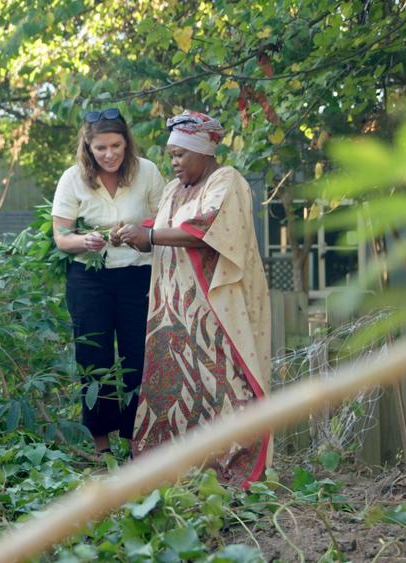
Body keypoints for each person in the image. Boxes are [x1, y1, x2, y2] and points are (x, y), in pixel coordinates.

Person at [113, 110, 271, 487]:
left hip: (216, 307)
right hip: (172, 308)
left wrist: (148, 236)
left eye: (180, 155)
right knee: (176, 385)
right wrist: (134, 231)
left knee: (225, 381)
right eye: (171, 156)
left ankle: (231, 466)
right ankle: (176, 469)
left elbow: (202, 228)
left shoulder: (226, 180)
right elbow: (165, 226)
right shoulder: (172, 188)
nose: (174, 163)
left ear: (203, 152)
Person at [51, 107, 165, 456]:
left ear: (127, 143)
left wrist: (139, 232)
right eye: (101, 148)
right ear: (88, 147)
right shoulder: (73, 178)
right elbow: (61, 237)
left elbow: (162, 219)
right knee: (94, 357)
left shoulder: (147, 172)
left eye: (116, 145)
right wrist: (83, 241)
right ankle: (102, 446)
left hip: (137, 274)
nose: (110, 154)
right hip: (89, 278)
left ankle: (134, 444)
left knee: (137, 356)